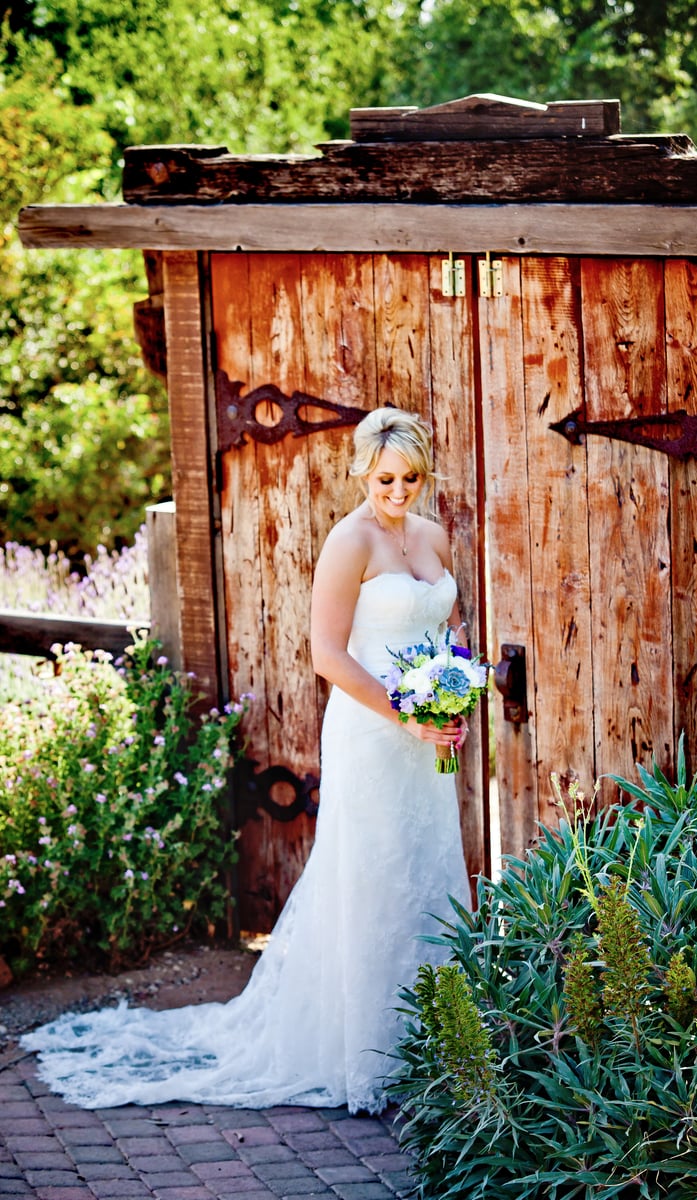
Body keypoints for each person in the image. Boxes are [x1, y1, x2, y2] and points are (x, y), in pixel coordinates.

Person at [21, 407, 471, 1115]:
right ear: (362, 471)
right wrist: (406, 715)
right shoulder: (348, 542)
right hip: (373, 732)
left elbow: (450, 628)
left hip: (427, 738)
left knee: (428, 867)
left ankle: (440, 1041)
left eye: (410, 479)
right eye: (385, 478)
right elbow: (328, 655)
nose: (397, 491)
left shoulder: (433, 536)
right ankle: (369, 1051)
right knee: (373, 875)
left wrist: (452, 697)